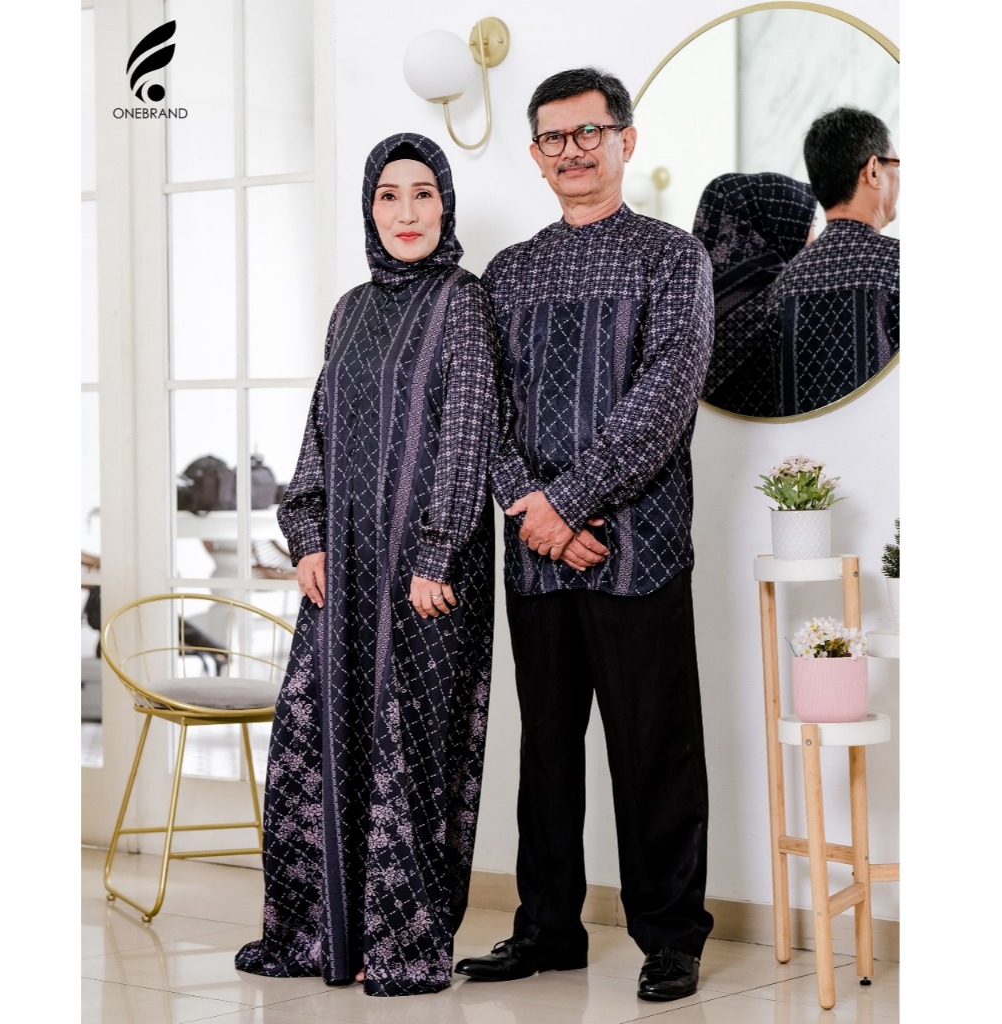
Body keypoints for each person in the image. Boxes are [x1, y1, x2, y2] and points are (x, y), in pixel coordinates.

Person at [453, 67, 714, 1003]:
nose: (572, 151)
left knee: (655, 749)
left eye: (589, 132)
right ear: (535, 155)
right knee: (549, 748)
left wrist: (568, 504)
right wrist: (537, 511)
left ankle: (670, 937)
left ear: (624, 140)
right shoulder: (508, 274)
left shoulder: (672, 258)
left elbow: (664, 399)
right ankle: (547, 929)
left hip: (641, 547)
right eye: (554, 138)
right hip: (537, 553)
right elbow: (485, 410)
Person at [235, 133, 498, 997]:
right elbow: (320, 428)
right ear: (370, 209)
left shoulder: (464, 301)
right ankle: (327, 931)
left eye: (424, 194)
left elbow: (468, 432)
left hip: (427, 575)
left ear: (446, 206)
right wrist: (307, 535)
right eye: (390, 195)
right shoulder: (349, 308)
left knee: (409, 745)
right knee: (322, 736)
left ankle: (397, 942)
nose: (407, 212)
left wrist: (437, 550)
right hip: (342, 565)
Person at [770, 107, 900, 415]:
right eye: (896, 164)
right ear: (873, 170)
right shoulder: (899, 264)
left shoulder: (784, 283)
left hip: (806, 446)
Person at [692, 172, 816, 417]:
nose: (814, 239)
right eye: (809, 225)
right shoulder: (787, 301)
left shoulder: (687, 301)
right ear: (780, 227)